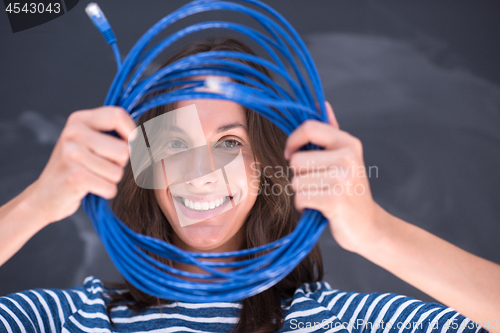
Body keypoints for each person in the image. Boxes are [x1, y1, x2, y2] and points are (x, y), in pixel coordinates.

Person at [0, 36, 499, 333]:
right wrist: (36, 205)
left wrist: (374, 232)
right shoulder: (72, 318)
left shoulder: (336, 320)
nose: (199, 171)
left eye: (230, 144)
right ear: (148, 170)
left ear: (267, 167)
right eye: (175, 145)